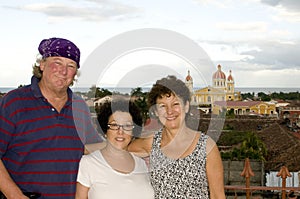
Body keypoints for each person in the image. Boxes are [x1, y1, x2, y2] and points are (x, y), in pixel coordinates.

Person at [0, 37, 101, 199]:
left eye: (71, 66)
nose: (63, 71)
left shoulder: (79, 107)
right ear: (42, 64)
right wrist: (15, 196)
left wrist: (141, 149)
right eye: (57, 62)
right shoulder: (14, 102)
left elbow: (92, 149)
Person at [128, 75, 226, 199]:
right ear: (157, 112)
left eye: (175, 104)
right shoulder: (152, 144)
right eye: (162, 106)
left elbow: (217, 195)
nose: (170, 111)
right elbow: (116, 150)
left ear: (186, 106)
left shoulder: (206, 147)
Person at [75, 98, 154, 199]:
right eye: (114, 125)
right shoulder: (89, 163)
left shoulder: (142, 164)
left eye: (127, 126)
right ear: (105, 130)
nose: (120, 131)